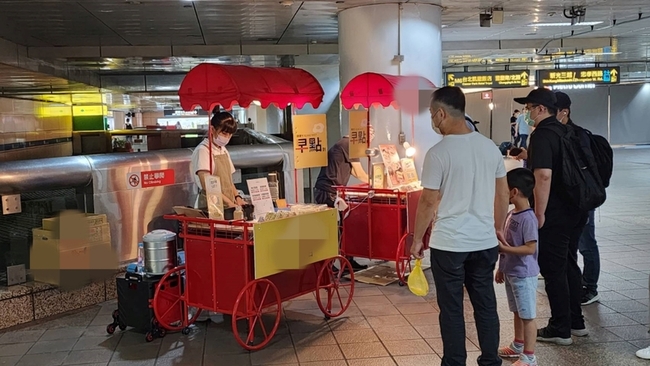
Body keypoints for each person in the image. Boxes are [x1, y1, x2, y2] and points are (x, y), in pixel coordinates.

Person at [411, 86, 509, 366]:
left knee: (452, 309)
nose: (433, 120)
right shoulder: (489, 147)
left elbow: (429, 201)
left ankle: (455, 362)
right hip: (484, 241)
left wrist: (417, 240)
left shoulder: (439, 153)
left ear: (441, 114)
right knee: (486, 305)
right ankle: (491, 360)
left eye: (432, 114)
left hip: (449, 244)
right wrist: (498, 227)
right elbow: (502, 194)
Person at [514, 88, 588, 346]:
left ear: (541, 109)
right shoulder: (566, 130)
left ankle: (560, 327)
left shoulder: (543, 134)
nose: (527, 113)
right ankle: (575, 321)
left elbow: (543, 175)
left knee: (553, 268)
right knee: (568, 262)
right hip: (577, 208)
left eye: (529, 107)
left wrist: (539, 213)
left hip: (555, 212)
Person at [554, 91, 601, 306]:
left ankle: (590, 287)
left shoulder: (576, 136)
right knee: (570, 244)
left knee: (586, 243)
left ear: (564, 112)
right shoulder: (555, 134)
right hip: (566, 201)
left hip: (581, 199)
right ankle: (573, 282)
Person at [495, 168, 539, 366]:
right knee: (517, 311)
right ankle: (517, 345)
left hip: (524, 274)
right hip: (512, 272)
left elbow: (530, 248)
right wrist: (501, 267)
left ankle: (529, 356)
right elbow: (509, 244)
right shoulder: (513, 213)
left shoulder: (528, 218)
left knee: (528, 315)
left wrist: (504, 249)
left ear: (513, 192)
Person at [313, 127, 373, 271]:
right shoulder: (349, 144)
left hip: (331, 190)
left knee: (345, 225)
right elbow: (359, 172)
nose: (371, 139)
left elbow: (351, 170)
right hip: (328, 191)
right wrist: (376, 182)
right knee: (333, 229)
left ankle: (347, 261)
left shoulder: (344, 144)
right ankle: (328, 265)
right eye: (371, 134)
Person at [190, 111, 245, 211]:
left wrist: (237, 197)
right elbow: (207, 185)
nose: (227, 138)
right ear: (212, 129)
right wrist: (229, 203)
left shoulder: (223, 149)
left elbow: (229, 181)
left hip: (228, 206)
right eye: (224, 133)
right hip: (211, 206)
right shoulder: (203, 150)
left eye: (230, 134)